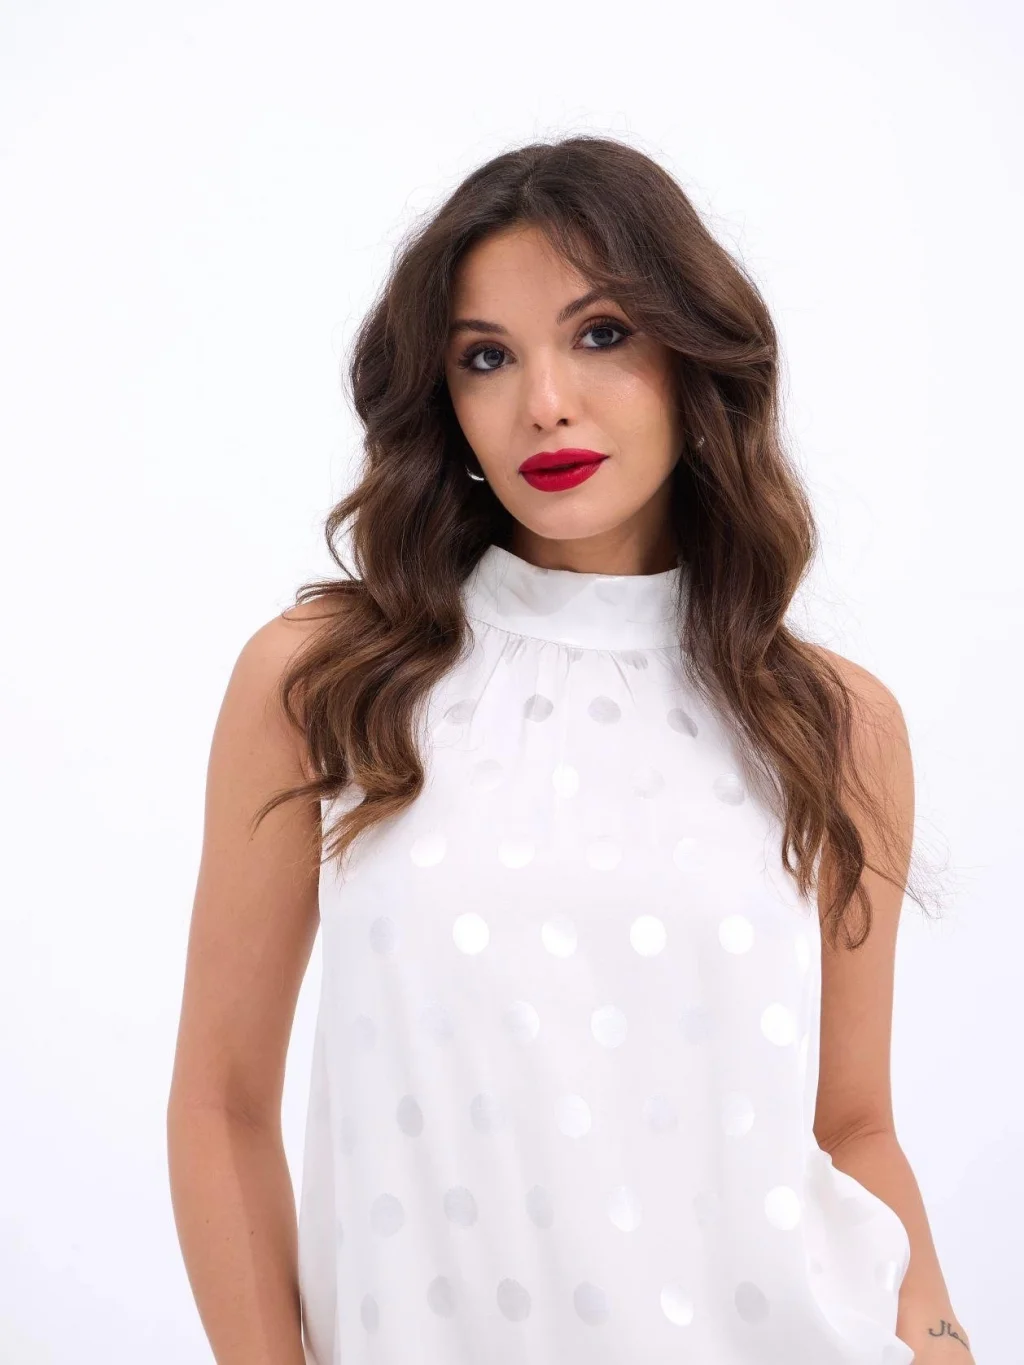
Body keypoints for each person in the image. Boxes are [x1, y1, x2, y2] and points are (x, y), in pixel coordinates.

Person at [166, 135, 973, 1365]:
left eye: (600, 334)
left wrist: (942, 1337)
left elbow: (853, 1126)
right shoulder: (326, 682)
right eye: (485, 357)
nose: (543, 400)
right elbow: (221, 1104)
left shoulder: (833, 720)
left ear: (692, 358)